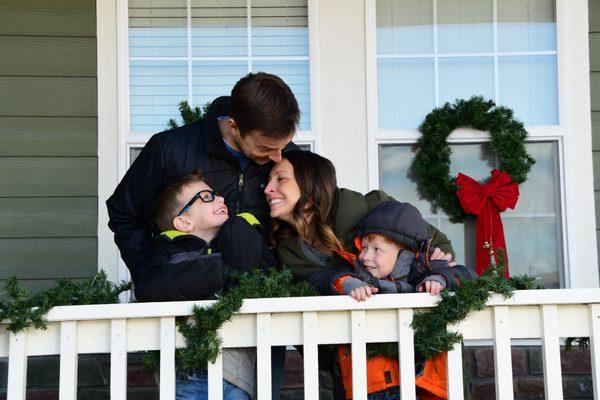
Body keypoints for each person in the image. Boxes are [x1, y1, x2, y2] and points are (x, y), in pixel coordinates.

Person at [107, 72, 300, 399]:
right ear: (235, 127)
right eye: (267, 148)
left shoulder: (286, 158)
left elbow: (303, 219)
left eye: (283, 146)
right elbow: (125, 213)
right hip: (188, 325)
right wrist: (153, 277)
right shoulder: (171, 150)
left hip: (262, 321)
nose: (278, 157)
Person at [264, 150, 457, 399]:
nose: (268, 188)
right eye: (268, 181)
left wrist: (427, 274)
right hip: (349, 360)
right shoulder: (287, 250)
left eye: (280, 179)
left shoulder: (371, 208)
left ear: (310, 184)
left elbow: (438, 246)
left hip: (412, 352)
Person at [330, 200, 477, 400]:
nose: (365, 256)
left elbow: (469, 276)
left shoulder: (428, 270)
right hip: (373, 386)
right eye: (363, 247)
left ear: (406, 254)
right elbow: (328, 277)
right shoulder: (357, 275)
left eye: (376, 249)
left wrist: (441, 278)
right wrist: (347, 284)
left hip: (426, 383)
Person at [151, 170, 275, 400]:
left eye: (217, 195)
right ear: (183, 221)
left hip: (237, 376)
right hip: (188, 375)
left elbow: (260, 276)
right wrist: (223, 268)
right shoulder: (167, 253)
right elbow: (160, 286)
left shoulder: (239, 233)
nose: (220, 199)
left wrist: (236, 227)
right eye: (207, 197)